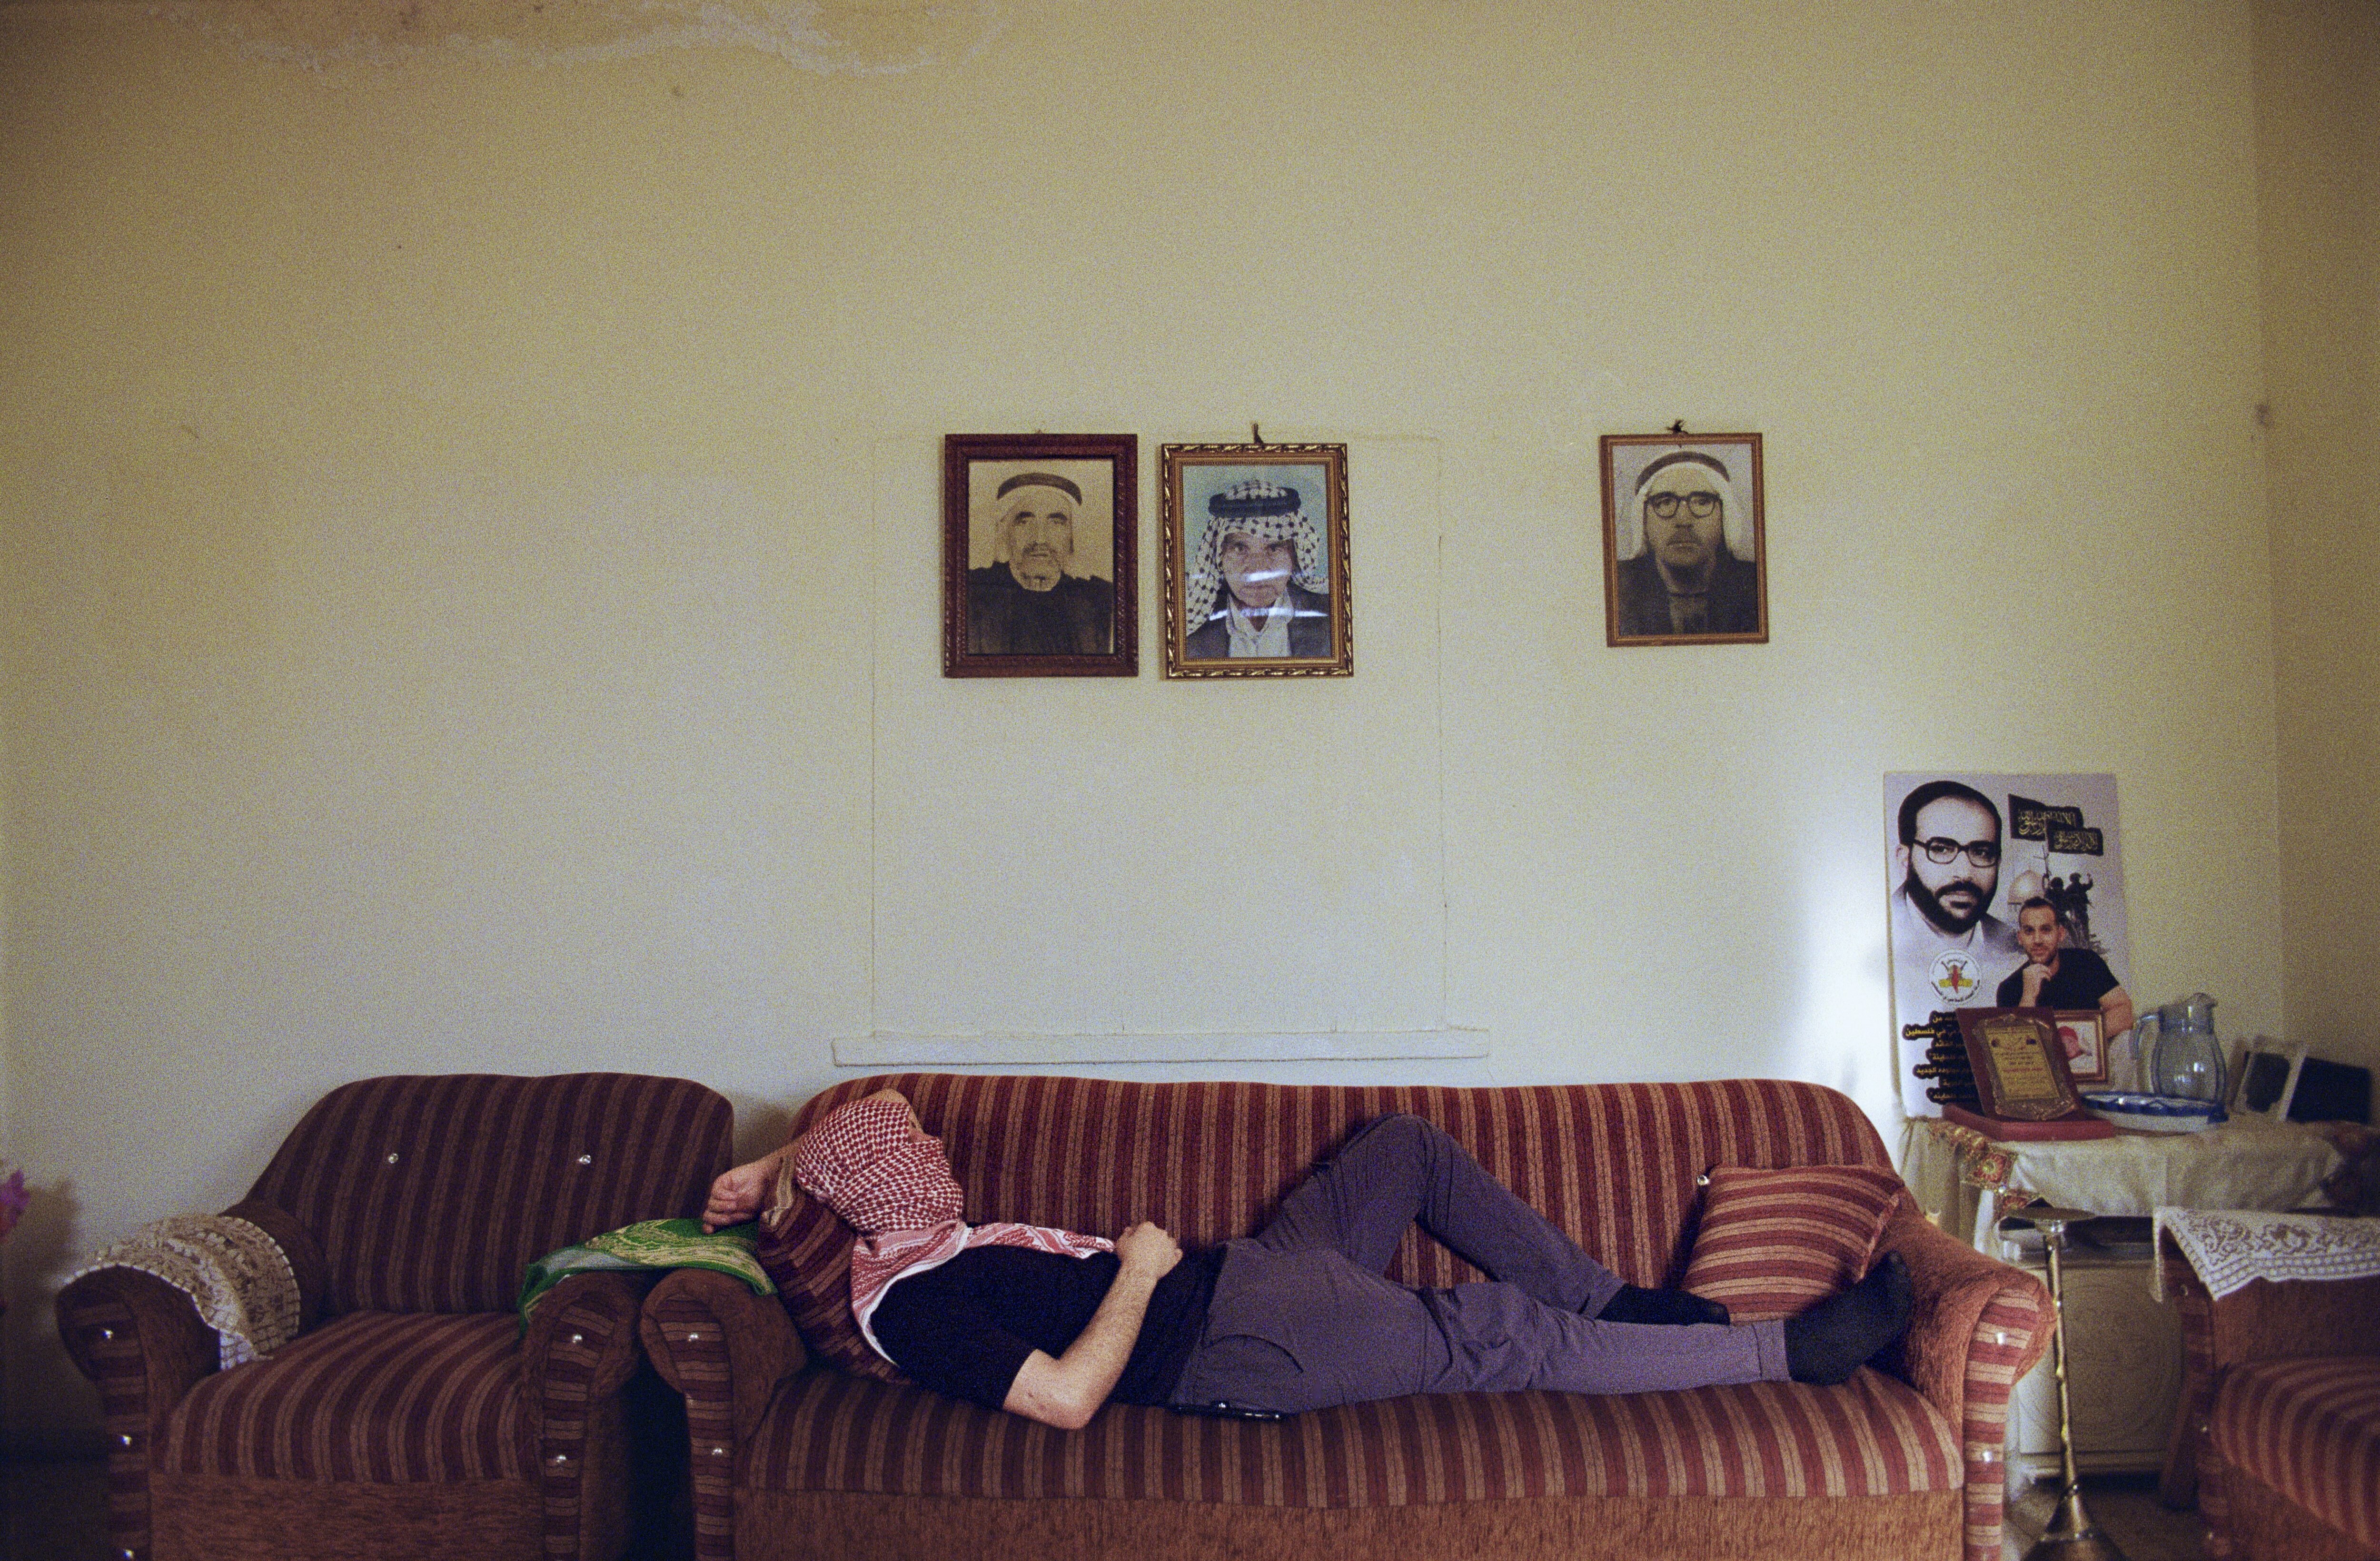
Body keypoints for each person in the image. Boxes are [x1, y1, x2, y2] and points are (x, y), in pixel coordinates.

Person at [704, 1090, 1914, 1430]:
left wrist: (773, 1163)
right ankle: (1782, 1352)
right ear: (881, 1195)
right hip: (1230, 1339)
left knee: (1404, 1147)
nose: (932, 1148)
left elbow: (872, 1115)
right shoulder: (916, 1306)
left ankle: (1619, 1301)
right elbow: (1066, 1399)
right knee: (1494, 1330)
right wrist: (1137, 1268)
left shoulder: (912, 1228)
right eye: (912, 1154)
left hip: (1250, 1267)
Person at [1891, 780, 2023, 1009]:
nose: (1964, 874)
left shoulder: (2019, 950)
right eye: (1941, 849)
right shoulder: (1876, 934)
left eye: (1982, 853)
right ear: (1905, 859)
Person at [1610, 452, 1760, 637]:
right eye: (1665, 503)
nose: (1684, 520)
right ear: (1643, 521)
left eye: (1702, 502)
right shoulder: (1617, 584)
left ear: (1725, 517)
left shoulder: (1756, 585)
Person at [1182, 477, 1334, 659]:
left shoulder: (1331, 619)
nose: (1257, 570)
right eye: (1240, 548)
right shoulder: (1188, 627)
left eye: (1274, 548)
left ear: (1295, 557)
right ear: (1219, 557)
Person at [966, 472, 1114, 655]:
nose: (1040, 539)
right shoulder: (972, 594)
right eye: (1025, 522)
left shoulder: (1101, 601)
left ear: (1072, 535)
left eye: (1056, 523)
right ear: (1005, 532)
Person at [1996, 896, 2135, 1038]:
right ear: (2020, 938)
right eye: (2029, 931)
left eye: (2046, 930)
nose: (2037, 940)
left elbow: (2125, 1013)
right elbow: (2013, 1045)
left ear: (2061, 934)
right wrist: (2028, 997)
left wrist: (2077, 1039)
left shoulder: (2087, 962)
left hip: (2086, 1050)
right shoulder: (2008, 989)